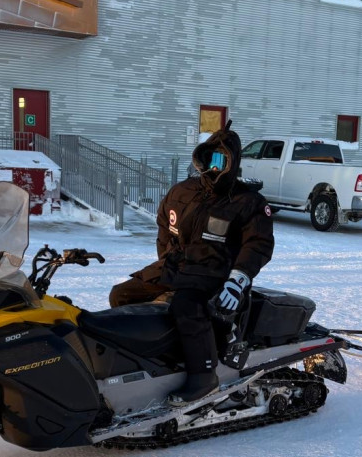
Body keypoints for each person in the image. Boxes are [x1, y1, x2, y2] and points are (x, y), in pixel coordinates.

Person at [109, 121, 274, 405]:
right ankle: (153, 354)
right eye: (209, 158)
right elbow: (164, 229)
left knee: (187, 306)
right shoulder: (182, 191)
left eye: (221, 160)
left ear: (232, 164)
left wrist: (238, 281)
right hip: (176, 268)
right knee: (122, 294)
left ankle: (203, 375)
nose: (214, 166)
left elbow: (257, 245)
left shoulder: (249, 202)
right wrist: (166, 262)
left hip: (216, 275)